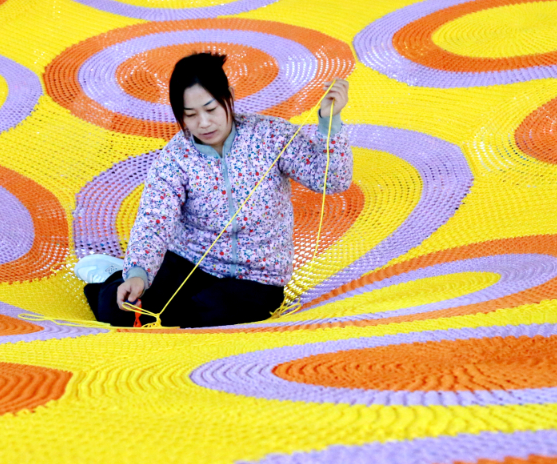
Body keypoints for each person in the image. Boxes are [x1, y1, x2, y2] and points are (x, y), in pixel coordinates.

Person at [75, 52, 352, 328]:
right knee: (120, 311)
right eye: (190, 114)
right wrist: (138, 273)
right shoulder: (177, 156)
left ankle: (155, 291)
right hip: (188, 262)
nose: (203, 123)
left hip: (256, 279)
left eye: (211, 109)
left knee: (207, 316)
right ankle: (117, 277)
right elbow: (154, 220)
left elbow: (332, 180)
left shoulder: (270, 135)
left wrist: (330, 122)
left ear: (228, 96)